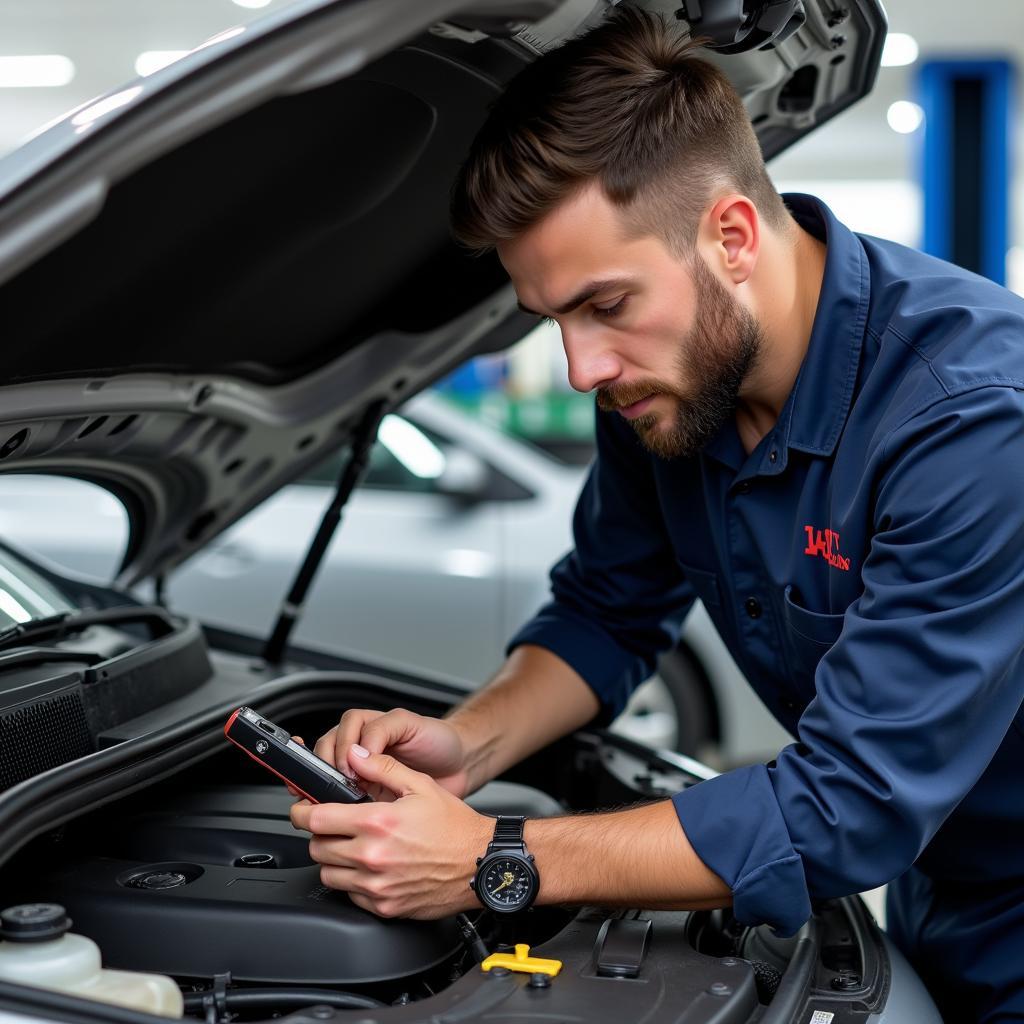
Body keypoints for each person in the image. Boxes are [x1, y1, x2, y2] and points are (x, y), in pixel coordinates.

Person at [288, 10, 1024, 1021]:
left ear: (729, 235)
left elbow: (846, 803)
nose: (584, 368)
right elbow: (604, 613)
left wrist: (497, 861)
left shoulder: (968, 420)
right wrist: (469, 745)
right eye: (555, 321)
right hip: (945, 879)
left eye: (606, 306)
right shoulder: (670, 391)